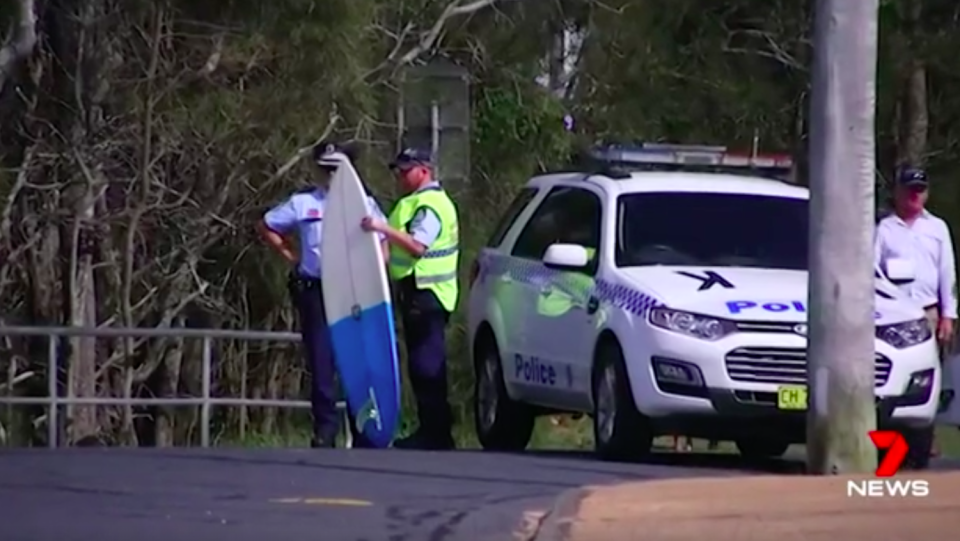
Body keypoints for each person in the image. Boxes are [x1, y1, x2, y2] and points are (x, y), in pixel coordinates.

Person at [258, 141, 389, 448]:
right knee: (321, 360)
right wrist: (289, 255)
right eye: (328, 169)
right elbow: (267, 225)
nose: (332, 175)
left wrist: (376, 268)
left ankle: (363, 428)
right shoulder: (304, 203)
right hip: (316, 289)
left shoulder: (364, 204)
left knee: (357, 361)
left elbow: (384, 238)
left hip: (354, 289)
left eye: (338, 169)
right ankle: (325, 430)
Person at [360, 147, 460, 450]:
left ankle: (436, 432)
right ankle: (431, 428)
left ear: (424, 170)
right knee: (418, 365)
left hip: (428, 294)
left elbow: (417, 246)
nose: (400, 177)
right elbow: (392, 248)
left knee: (427, 365)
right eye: (398, 172)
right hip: (415, 292)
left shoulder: (429, 206)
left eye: (405, 171)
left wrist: (381, 228)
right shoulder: (411, 203)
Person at [874, 166, 957, 462]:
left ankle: (926, 437)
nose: (914, 196)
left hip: (928, 311)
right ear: (897, 192)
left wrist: (949, 315)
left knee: (930, 375)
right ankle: (887, 435)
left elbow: (947, 273)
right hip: (892, 315)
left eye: (920, 190)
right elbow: (873, 270)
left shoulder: (937, 229)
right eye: (909, 190)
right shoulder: (884, 229)